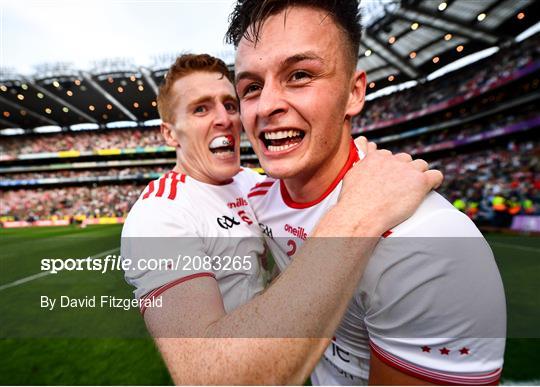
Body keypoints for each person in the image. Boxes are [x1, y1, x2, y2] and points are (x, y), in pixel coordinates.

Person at [226, 0, 506, 385]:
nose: (268, 105)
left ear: (355, 92)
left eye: (300, 75)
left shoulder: (429, 245)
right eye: (252, 87)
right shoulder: (256, 200)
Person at [121, 53, 442, 384]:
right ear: (170, 134)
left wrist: (360, 162)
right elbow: (208, 377)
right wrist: (356, 215)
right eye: (201, 109)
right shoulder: (159, 215)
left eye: (230, 105)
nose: (224, 119)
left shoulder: (255, 184)